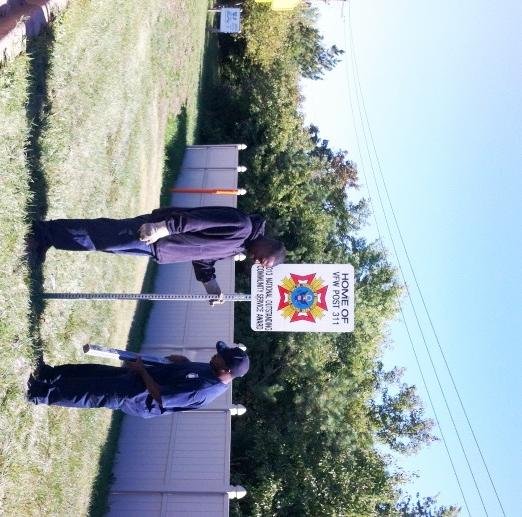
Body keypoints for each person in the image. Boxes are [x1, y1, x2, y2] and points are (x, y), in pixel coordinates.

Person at [29, 206, 286, 304]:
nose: (259, 263)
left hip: (159, 248)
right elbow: (195, 221)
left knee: (103, 243)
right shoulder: (241, 225)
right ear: (269, 246)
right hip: (159, 234)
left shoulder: (238, 247)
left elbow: (203, 255)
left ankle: (50, 238)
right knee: (102, 234)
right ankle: (43, 232)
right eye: (265, 261)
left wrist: (211, 284)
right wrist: (160, 228)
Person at [26, 341, 249, 418]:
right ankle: (49, 375)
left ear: (226, 369)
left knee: (92, 391)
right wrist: (183, 362)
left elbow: (162, 397)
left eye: (221, 356)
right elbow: (183, 374)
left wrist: (142, 371)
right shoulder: (211, 369)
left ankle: (39, 393)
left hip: (138, 396)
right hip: (139, 378)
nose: (216, 354)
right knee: (94, 372)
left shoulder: (204, 391)